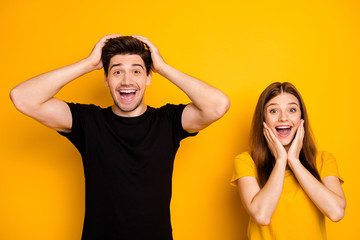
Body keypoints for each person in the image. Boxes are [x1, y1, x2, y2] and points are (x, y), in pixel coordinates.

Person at [10, 34, 230, 240]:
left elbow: (218, 105)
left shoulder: (168, 121)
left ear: (148, 77)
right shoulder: (88, 121)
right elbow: (22, 97)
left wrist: (163, 68)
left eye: (136, 71)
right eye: (117, 71)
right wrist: (88, 64)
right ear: (106, 78)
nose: (126, 80)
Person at [231, 82, 346, 240]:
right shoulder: (246, 162)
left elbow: (336, 212)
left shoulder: (324, 160)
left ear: (301, 119)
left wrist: (294, 161)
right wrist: (280, 161)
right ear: (262, 120)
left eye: (292, 110)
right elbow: (262, 215)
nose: (283, 118)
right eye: (273, 111)